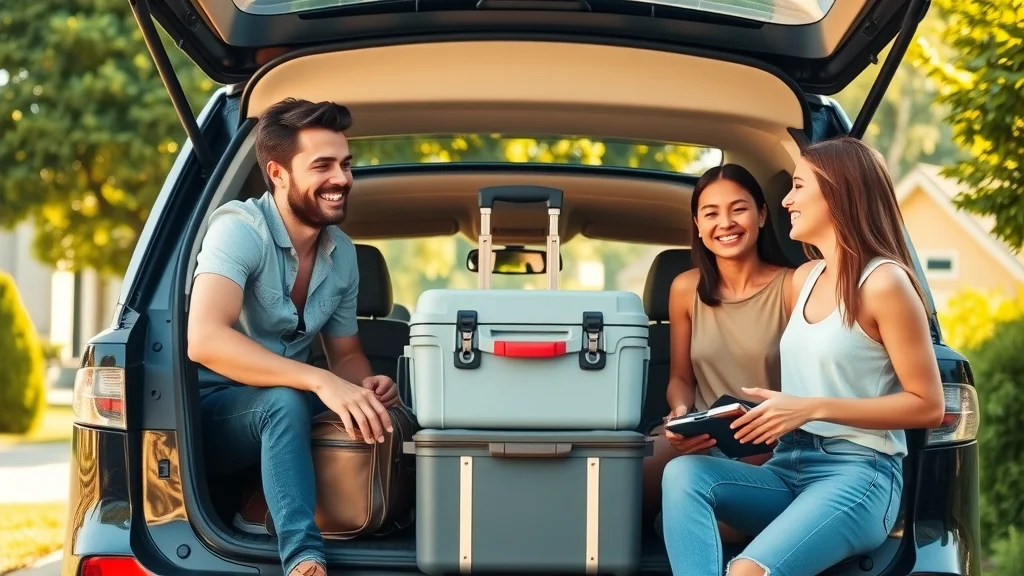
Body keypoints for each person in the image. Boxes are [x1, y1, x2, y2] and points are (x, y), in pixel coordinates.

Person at [660, 136, 946, 576]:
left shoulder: (884, 284)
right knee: (683, 475)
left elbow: (928, 405)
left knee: (746, 571)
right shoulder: (806, 278)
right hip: (789, 463)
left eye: (797, 187)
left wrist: (809, 408)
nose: (786, 201)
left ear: (837, 192)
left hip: (858, 473)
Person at [187, 98, 401, 576]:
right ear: (278, 173)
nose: (342, 178)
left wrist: (366, 389)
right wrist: (320, 381)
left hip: (290, 407)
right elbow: (204, 339)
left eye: (345, 164)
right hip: (215, 412)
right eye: (322, 166)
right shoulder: (240, 230)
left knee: (379, 410)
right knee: (283, 402)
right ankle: (303, 558)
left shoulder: (342, 254)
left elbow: (345, 356)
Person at [641, 163, 796, 539]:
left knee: (689, 526)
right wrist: (679, 414)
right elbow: (681, 379)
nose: (725, 223)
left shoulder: (792, 286)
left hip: (772, 444)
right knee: (618, 482)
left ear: (762, 215)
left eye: (738, 209)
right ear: (697, 224)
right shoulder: (685, 288)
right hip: (703, 437)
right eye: (711, 213)